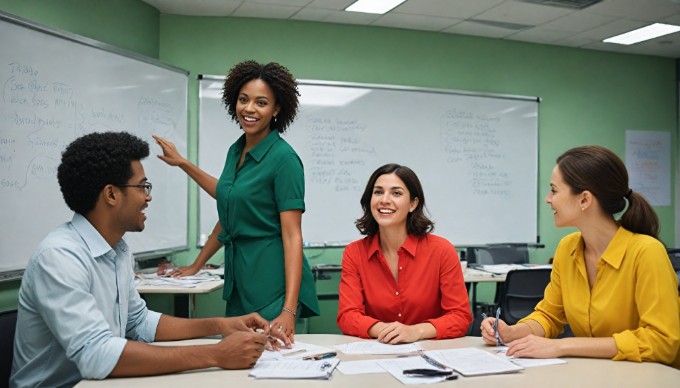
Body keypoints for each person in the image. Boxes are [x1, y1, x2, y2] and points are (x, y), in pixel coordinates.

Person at [10, 132, 273, 387]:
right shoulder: (59, 257)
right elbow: (96, 355)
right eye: (142, 186)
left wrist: (219, 325)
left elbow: (138, 322)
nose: (148, 197)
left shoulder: (119, 250)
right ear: (111, 194)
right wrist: (215, 354)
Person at [153, 60, 319, 346]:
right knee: (237, 363)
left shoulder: (284, 160)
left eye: (261, 102)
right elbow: (230, 206)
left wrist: (288, 310)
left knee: (276, 369)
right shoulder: (237, 149)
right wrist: (196, 265)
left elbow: (293, 236)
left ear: (277, 109)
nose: (249, 109)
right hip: (240, 281)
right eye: (243, 100)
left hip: (274, 286)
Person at [481, 145, 680, 368]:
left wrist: (563, 346)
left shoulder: (647, 253)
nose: (548, 199)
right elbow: (549, 315)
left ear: (584, 200)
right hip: (599, 375)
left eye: (554, 190)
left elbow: (662, 341)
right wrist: (511, 332)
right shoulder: (567, 249)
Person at [336, 163, 472, 344]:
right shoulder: (354, 253)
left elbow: (460, 317)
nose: (384, 200)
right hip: (378, 354)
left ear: (413, 204)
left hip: (432, 355)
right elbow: (347, 316)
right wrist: (390, 332)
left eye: (396, 193)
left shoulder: (442, 251)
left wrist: (415, 331)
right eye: (378, 192)